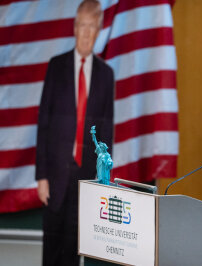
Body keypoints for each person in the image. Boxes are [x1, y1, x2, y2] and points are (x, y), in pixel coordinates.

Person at [35, 1, 114, 265]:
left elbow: (106, 133)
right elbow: (43, 124)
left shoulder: (106, 75)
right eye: (83, 25)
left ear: (99, 29)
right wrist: (41, 177)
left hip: (86, 177)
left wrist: (102, 181)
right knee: (52, 248)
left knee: (73, 247)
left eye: (93, 27)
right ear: (74, 27)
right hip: (55, 174)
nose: (87, 32)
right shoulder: (56, 67)